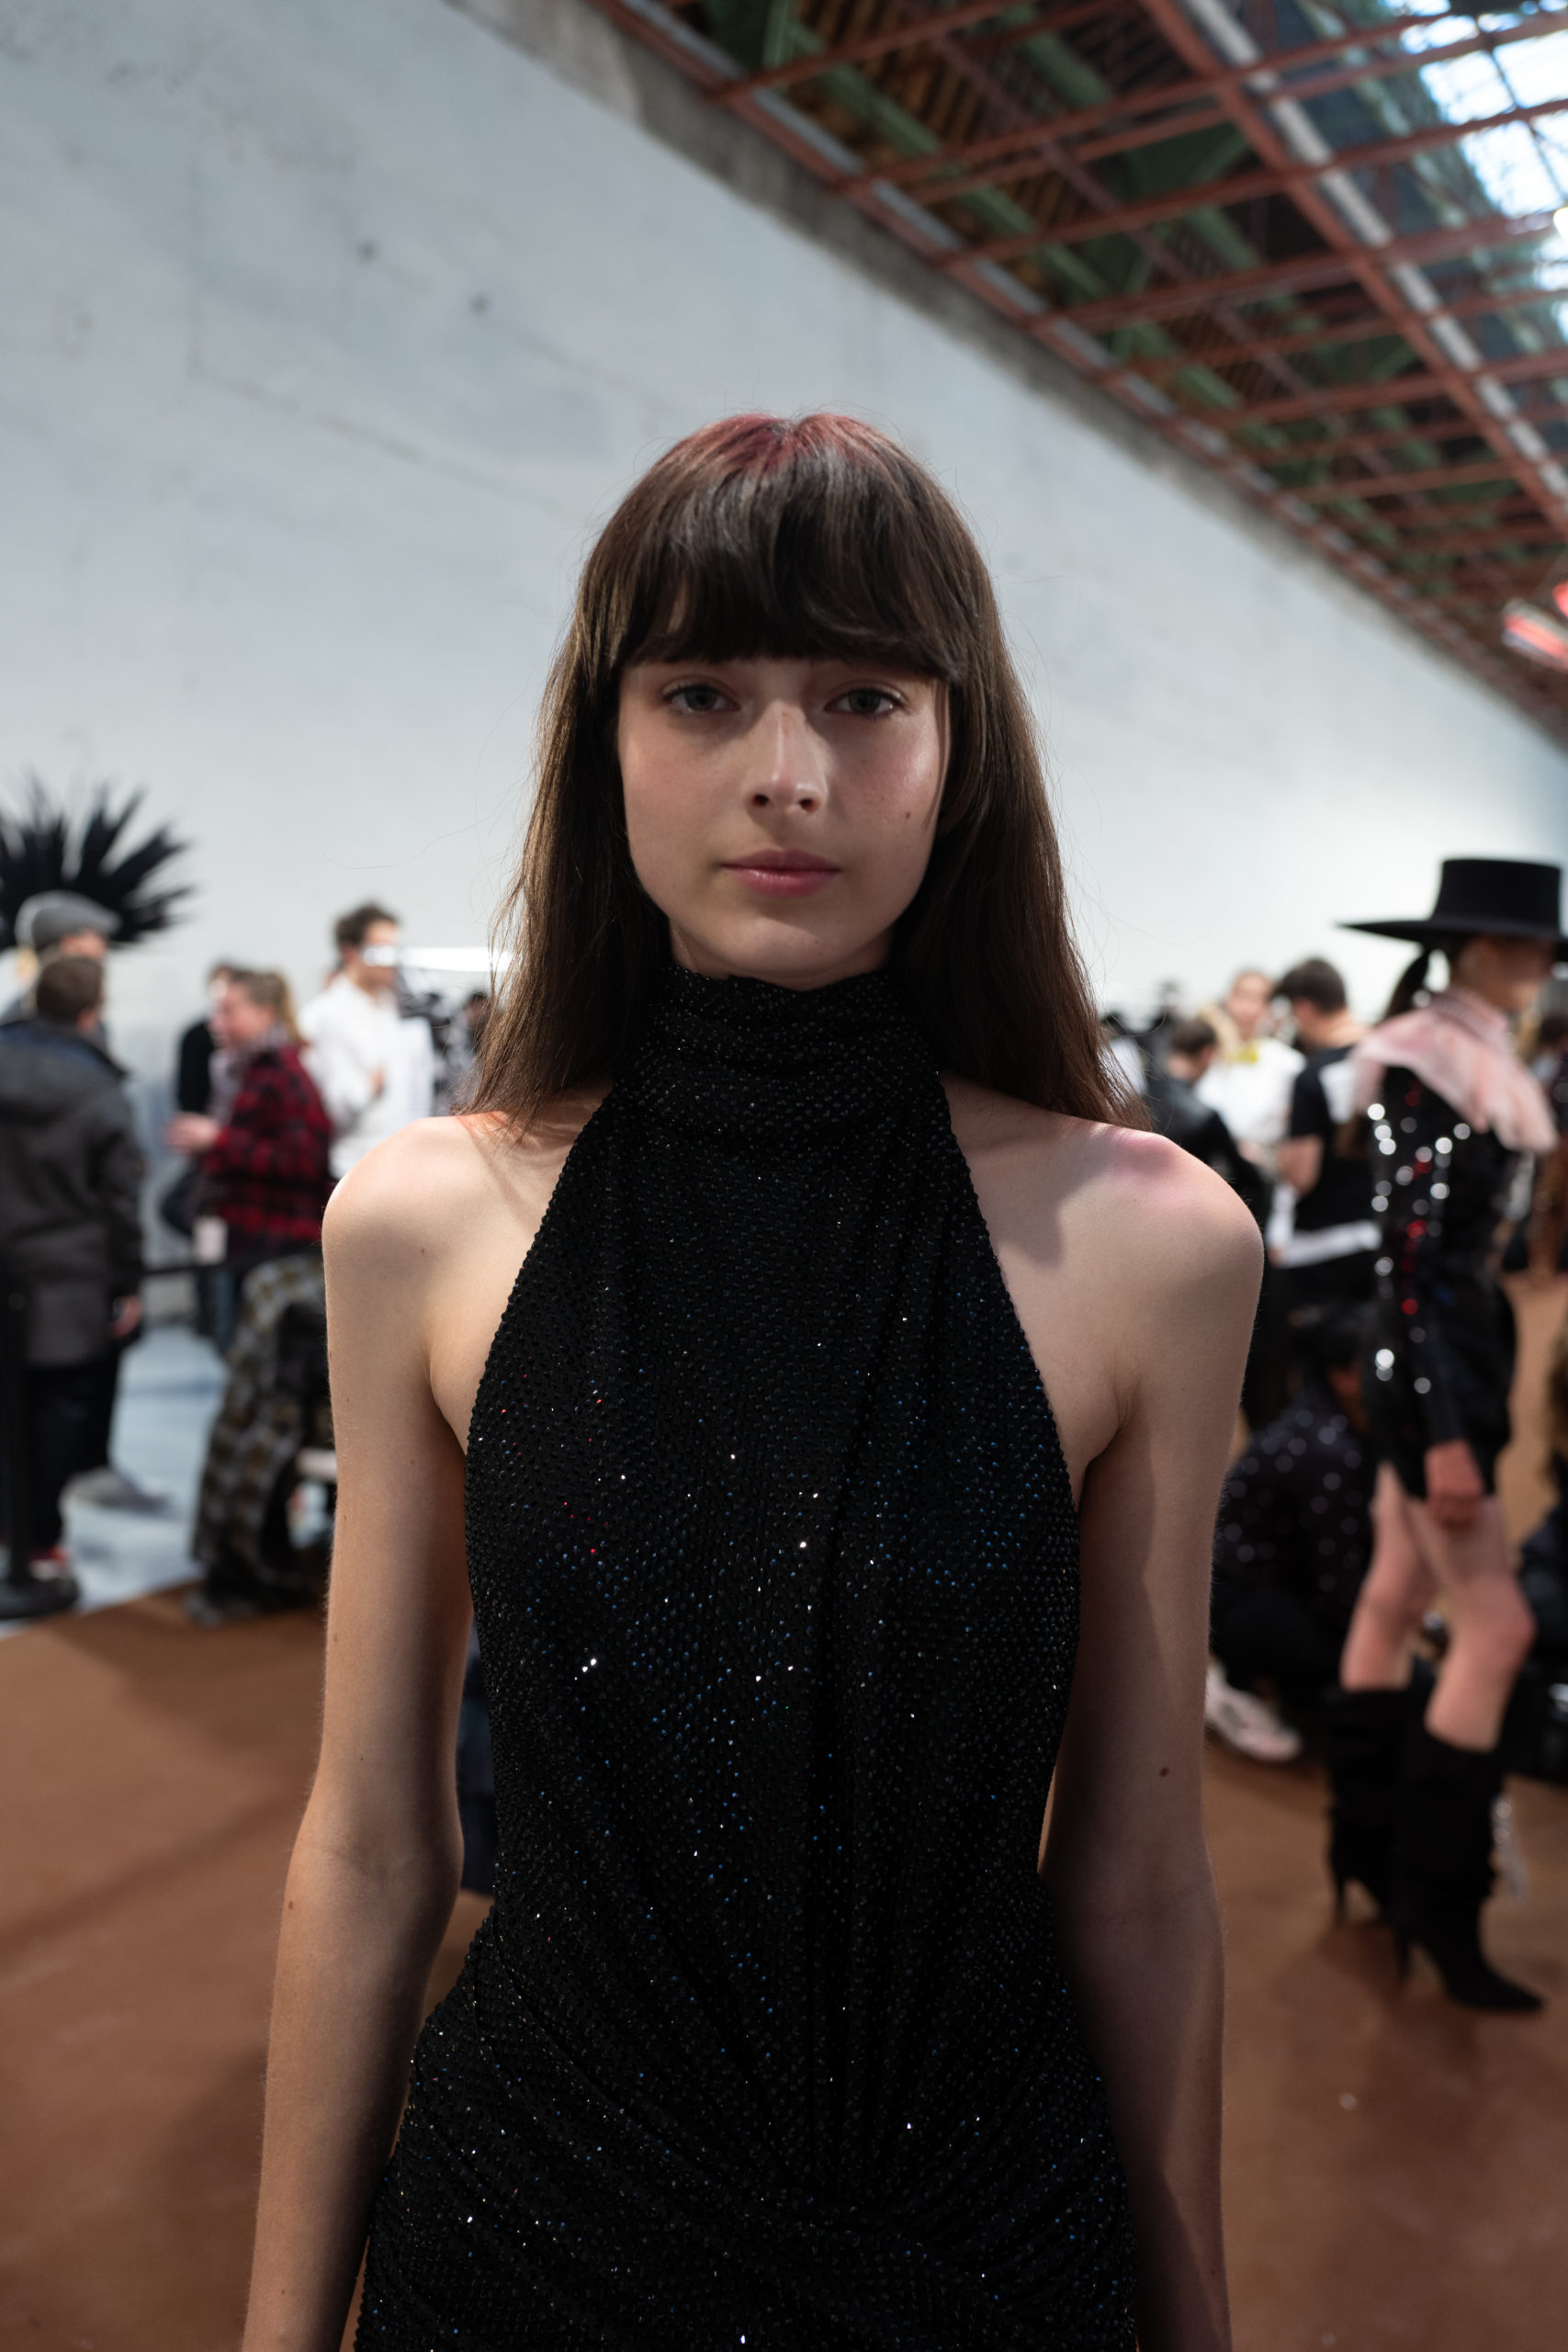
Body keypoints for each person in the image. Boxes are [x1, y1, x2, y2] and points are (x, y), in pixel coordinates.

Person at [243, 414, 1259, 2352]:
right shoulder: (424, 1223)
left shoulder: (1149, 1243)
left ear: (957, 749)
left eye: (864, 697)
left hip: (981, 2247)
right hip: (528, 2238)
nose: (787, 772)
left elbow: (1135, 1877)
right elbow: (372, 1841)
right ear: (605, 738)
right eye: (702, 691)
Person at [1327, 858, 1562, 2011]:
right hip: (1435, 1373)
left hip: (1433, 1363)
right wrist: (1449, 1434)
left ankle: (1366, 1854)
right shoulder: (1432, 1064)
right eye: (1530, 949)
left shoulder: (1459, 1058)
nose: (1542, 968)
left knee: (1391, 1593)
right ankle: (1440, 1903)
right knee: (1496, 1626)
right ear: (1479, 949)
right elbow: (1411, 1269)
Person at [0, 956, 142, 1612]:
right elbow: (119, 1200)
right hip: (69, 1280)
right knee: (56, 1414)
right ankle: (40, 1543)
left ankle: (18, 1537)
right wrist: (127, 1281)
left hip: (14, 1271)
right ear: (91, 1013)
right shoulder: (99, 1089)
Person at [1205, 1306, 1373, 1764]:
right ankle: (1236, 1685)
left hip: (1268, 1579)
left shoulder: (1331, 1418)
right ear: (1343, 1376)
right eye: (1381, 1363)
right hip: (1237, 1598)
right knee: (1368, 1663)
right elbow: (1336, 1581)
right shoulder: (1330, 1449)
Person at [166, 970, 333, 1310]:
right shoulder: (240, 1068)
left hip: (274, 1238)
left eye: (229, 1011)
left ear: (264, 1013)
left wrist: (218, 1140)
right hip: (244, 1233)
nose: (216, 1022)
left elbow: (304, 1160)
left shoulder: (283, 1073)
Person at [1272, 958, 1377, 1326]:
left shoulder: (1314, 1075)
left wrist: (1280, 1152)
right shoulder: (1391, 1062)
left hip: (1322, 1247)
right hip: (1382, 1234)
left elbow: (1302, 1176)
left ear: (1304, 1008)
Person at [299, 905, 435, 1178]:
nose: (392, 960)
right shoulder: (324, 1016)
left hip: (407, 1164)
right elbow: (333, 1107)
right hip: (355, 1167)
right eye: (381, 951)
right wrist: (376, 1081)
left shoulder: (399, 1007)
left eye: (396, 950)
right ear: (351, 953)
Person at [1194, 967, 1302, 1171]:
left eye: (1257, 999)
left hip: (1259, 1168)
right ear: (1228, 1000)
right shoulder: (1206, 1054)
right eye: (1241, 996)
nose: (1247, 1007)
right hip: (1206, 1164)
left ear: (1269, 1006)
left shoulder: (1287, 1063)